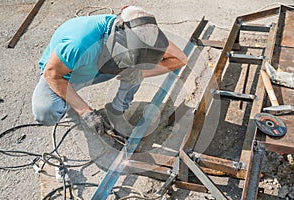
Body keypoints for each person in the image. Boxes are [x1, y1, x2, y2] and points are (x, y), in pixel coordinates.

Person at [32, 6, 187, 136]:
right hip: (66, 75)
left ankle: (116, 110)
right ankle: (69, 100)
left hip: (99, 70)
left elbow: (179, 59)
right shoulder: (78, 43)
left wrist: (139, 73)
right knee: (45, 111)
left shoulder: (144, 33)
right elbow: (52, 74)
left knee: (135, 69)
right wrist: (86, 113)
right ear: (119, 30)